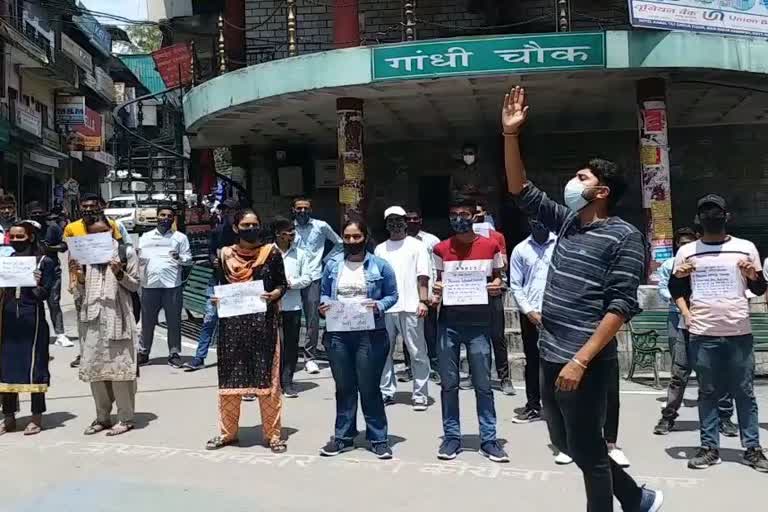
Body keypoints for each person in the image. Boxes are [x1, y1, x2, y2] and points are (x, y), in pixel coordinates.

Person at [503, 86, 663, 510]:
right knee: (564, 442)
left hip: (585, 361)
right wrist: (510, 136)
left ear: (603, 191)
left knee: (590, 451)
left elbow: (620, 306)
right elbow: (521, 190)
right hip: (551, 351)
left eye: (583, 178)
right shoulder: (569, 223)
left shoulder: (624, 237)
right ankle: (637, 498)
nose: (574, 183)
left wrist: (581, 359)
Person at [669, 194, 768, 472]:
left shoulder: (745, 248)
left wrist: (753, 275)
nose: (711, 216)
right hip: (702, 333)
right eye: (705, 213)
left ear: (727, 216)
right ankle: (709, 447)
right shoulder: (687, 252)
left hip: (738, 332)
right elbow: (675, 288)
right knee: (708, 392)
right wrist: (687, 314)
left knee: (744, 393)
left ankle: (752, 449)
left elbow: (760, 288)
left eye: (716, 212)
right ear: (699, 219)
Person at [431, 196, 509, 463]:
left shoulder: (490, 246)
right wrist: (436, 292)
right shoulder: (440, 249)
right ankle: (452, 437)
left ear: (475, 216)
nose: (458, 219)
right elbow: (437, 283)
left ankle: (489, 439)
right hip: (449, 324)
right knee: (449, 385)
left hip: (479, 324)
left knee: (483, 385)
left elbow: (500, 278)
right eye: (453, 214)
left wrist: (496, 286)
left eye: (463, 214)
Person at [205, 209, 288, 453]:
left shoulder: (271, 253)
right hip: (232, 328)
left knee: (268, 383)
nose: (250, 229)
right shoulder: (224, 255)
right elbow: (220, 285)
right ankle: (227, 433)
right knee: (230, 380)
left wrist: (274, 295)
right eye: (245, 225)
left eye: (254, 224)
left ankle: (273, 435)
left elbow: (282, 283)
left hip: (263, 326)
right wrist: (217, 300)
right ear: (235, 228)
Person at [318, 218, 398, 459]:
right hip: (339, 334)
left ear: (365, 237)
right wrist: (323, 305)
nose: (352, 241)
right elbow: (324, 291)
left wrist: (379, 305)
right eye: (347, 237)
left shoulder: (380, 266)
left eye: (356, 237)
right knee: (344, 387)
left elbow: (392, 295)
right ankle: (343, 436)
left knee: (369, 387)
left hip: (369, 334)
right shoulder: (332, 265)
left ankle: (378, 438)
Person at [654, 228, 736, 436]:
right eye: (681, 244)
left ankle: (724, 418)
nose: (685, 248)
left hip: (710, 321)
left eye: (689, 244)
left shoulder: (708, 262)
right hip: (681, 321)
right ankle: (668, 416)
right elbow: (666, 290)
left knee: (718, 371)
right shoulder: (671, 265)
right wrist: (683, 307)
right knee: (679, 372)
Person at [73, 217, 140, 436]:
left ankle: (126, 417)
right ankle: (102, 417)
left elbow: (135, 284)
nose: (98, 238)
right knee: (96, 371)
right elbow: (76, 293)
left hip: (118, 317)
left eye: (103, 233)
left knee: (121, 371)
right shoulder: (82, 256)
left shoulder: (125, 252)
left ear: (111, 232)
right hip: (91, 319)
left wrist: (119, 272)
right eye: (93, 234)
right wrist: (80, 278)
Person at [0, 221, 55, 436]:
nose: (14, 241)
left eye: (19, 237)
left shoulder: (44, 262)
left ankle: (36, 417)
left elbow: (44, 294)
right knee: (6, 368)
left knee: (35, 368)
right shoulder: (8, 261)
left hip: (32, 319)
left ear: (30, 237)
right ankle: (9, 417)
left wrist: (35, 283)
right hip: (8, 318)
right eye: (11, 237)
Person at [375, 206, 431, 411]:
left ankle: (420, 394)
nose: (395, 223)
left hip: (411, 305)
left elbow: (423, 275)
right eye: (391, 220)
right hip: (387, 307)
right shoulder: (380, 249)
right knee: (384, 353)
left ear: (406, 222)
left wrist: (423, 301)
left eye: (399, 219)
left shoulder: (417, 246)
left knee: (417, 352)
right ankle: (386, 391)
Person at [65, 193, 125, 369]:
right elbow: (71, 255)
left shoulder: (111, 225)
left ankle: (109, 353)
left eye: (92, 206)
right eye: (85, 206)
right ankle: (84, 353)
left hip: (106, 278)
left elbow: (119, 247)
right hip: (82, 281)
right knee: (84, 320)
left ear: (99, 206)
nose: (89, 209)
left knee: (108, 316)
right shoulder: (72, 228)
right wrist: (72, 280)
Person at [461, 200, 514, 395]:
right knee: (471, 335)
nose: (477, 216)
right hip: (470, 293)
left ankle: (504, 377)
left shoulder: (496, 236)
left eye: (479, 213)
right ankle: (472, 374)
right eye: (472, 214)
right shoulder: (462, 237)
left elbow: (503, 265)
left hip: (491, 290)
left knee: (497, 336)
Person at [509, 219, 556, 424]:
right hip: (531, 314)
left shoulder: (561, 244)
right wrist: (528, 311)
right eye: (535, 219)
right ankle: (533, 406)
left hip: (558, 312)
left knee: (559, 361)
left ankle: (560, 407)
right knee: (533, 361)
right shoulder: (520, 250)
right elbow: (515, 285)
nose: (539, 223)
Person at [183, 199, 238, 371]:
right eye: (224, 210)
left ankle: (236, 359)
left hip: (238, 282)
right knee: (209, 318)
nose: (226, 213)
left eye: (230, 210)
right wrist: (214, 260)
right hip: (217, 281)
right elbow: (211, 252)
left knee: (236, 323)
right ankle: (199, 357)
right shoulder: (217, 231)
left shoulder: (245, 232)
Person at [137, 206, 193, 368]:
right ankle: (144, 352)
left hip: (172, 285)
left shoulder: (180, 238)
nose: (166, 218)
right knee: (147, 321)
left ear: (173, 218)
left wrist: (179, 257)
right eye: (162, 215)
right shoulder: (145, 237)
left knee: (174, 321)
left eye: (169, 216)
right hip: (150, 284)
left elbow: (188, 259)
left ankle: (174, 353)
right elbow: (139, 256)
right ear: (157, 217)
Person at [293, 197, 343, 374]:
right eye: (299, 208)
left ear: (311, 209)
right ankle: (290, 356)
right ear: (293, 210)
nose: (302, 211)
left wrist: (327, 260)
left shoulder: (320, 226)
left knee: (312, 318)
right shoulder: (289, 228)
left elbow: (339, 243)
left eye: (305, 208)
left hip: (314, 276)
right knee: (290, 318)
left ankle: (310, 357)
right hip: (292, 278)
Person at [273, 216, 312, 398]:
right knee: (273, 344)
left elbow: (307, 277)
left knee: (290, 344)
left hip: (292, 306)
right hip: (271, 305)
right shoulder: (268, 252)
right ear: (278, 235)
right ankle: (271, 380)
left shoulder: (301, 254)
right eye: (287, 234)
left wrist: (291, 284)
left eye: (293, 233)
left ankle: (287, 381)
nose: (291, 237)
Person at [27, 201, 71, 348]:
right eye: (34, 214)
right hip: (31, 271)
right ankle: (33, 333)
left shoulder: (53, 227)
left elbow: (64, 246)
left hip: (52, 271)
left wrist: (50, 248)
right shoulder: (25, 229)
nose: (38, 216)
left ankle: (60, 334)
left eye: (40, 213)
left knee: (54, 302)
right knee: (31, 304)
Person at [405, 208, 441, 383]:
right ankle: (409, 367)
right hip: (406, 293)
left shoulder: (431, 240)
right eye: (408, 219)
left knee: (430, 332)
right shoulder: (399, 240)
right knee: (408, 333)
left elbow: (436, 266)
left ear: (421, 221)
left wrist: (435, 292)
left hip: (426, 293)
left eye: (415, 219)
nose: (412, 222)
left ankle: (434, 366)